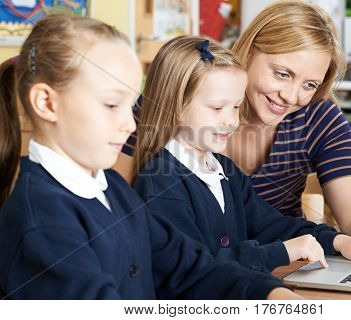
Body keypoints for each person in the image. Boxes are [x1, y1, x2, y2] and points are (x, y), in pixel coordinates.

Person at [0, 14, 297, 299]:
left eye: (130, 105)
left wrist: (267, 292)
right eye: (112, 104)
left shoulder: (113, 190)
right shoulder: (39, 218)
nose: (130, 125)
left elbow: (191, 266)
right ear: (47, 103)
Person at [115, 1, 351, 254]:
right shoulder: (179, 96)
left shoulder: (319, 118)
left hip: (284, 265)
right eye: (282, 73)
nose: (290, 96)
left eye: (309, 84)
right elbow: (114, 198)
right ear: (249, 52)